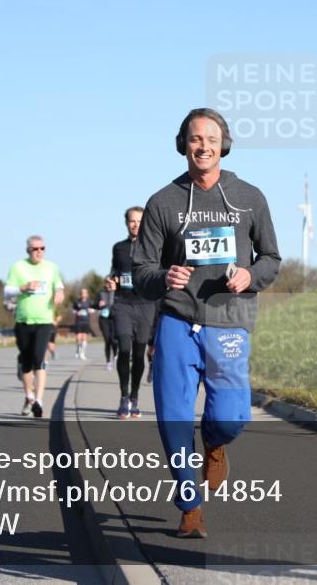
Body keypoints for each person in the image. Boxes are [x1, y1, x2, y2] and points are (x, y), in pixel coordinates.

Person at [133, 107, 281, 538]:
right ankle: (190, 507)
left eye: (212, 139)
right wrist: (165, 276)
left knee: (233, 417)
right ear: (184, 144)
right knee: (173, 418)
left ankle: (214, 445)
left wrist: (251, 275)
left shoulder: (250, 197)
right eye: (196, 139)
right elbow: (141, 272)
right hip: (178, 321)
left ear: (224, 145)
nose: (204, 146)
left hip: (229, 322)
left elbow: (271, 257)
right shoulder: (163, 202)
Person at [4, 235, 64, 418]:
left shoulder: (51, 267)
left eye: (42, 248)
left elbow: (59, 286)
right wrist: (23, 288)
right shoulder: (18, 267)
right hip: (23, 320)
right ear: (28, 250)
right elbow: (6, 291)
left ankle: (39, 400)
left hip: (45, 320)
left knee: (39, 358)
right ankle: (29, 396)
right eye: (34, 249)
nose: (39, 252)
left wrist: (59, 293)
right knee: (26, 361)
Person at [109, 206, 158, 419]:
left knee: (139, 354)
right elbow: (114, 272)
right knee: (124, 349)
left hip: (145, 305)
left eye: (139, 221)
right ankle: (123, 396)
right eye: (132, 221)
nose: (135, 224)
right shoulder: (119, 248)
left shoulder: (153, 248)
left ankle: (134, 397)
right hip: (123, 304)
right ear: (126, 223)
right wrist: (110, 281)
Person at [97, 277, 118, 370]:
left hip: (114, 318)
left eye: (110, 282)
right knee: (107, 340)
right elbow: (94, 304)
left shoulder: (117, 293)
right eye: (107, 283)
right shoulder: (101, 293)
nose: (109, 284)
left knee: (114, 340)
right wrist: (98, 304)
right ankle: (108, 362)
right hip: (104, 319)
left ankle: (115, 357)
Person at [72, 288, 95, 360]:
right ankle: (78, 349)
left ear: (87, 294)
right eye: (82, 293)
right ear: (80, 294)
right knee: (78, 338)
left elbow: (94, 309)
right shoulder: (76, 302)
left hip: (86, 321)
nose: (83, 294)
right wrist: (76, 312)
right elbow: (73, 310)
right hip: (78, 321)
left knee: (84, 338)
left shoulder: (90, 302)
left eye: (85, 293)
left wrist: (90, 310)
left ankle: (82, 353)